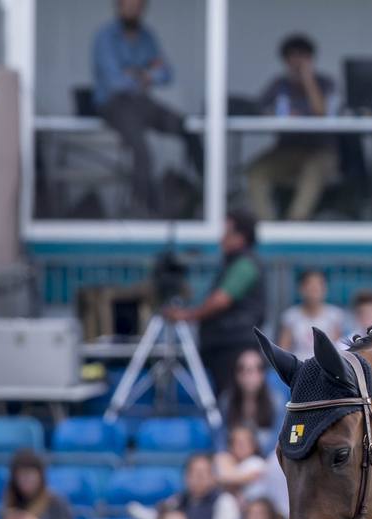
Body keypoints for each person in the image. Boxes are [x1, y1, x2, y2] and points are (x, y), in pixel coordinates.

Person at [91, 0, 202, 216]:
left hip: (141, 102)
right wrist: (146, 75)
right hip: (114, 104)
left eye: (139, 6)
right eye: (129, 5)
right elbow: (115, 82)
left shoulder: (146, 36)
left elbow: (167, 74)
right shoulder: (105, 37)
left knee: (187, 128)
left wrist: (139, 75)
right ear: (119, 7)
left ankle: (204, 189)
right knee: (143, 152)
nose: (134, 10)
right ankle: (140, 212)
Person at [163, 210, 265, 393]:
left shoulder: (244, 265)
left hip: (233, 346)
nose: (221, 239)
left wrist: (187, 315)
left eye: (226, 233)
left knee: (232, 402)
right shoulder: (235, 264)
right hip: (226, 344)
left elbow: (221, 300)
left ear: (240, 237)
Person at [247, 33, 339, 222]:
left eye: (302, 56)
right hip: (286, 151)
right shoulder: (278, 85)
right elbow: (259, 111)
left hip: (321, 151)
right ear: (285, 60)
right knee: (256, 172)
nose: (297, 61)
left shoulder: (324, 83)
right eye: (293, 56)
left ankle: (295, 225)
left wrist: (307, 79)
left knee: (312, 171)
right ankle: (267, 225)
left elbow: (321, 112)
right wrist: (278, 116)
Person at [129, 453, 241, 519]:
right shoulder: (178, 500)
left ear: (213, 477)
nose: (198, 478)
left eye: (203, 474)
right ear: (186, 477)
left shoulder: (225, 501)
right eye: (193, 473)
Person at [215, 348, 285, 454]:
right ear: (236, 374)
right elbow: (220, 437)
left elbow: (279, 437)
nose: (249, 375)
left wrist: (254, 451)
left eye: (256, 369)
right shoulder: (227, 400)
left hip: (266, 458)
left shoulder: (276, 401)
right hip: (234, 457)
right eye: (242, 369)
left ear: (263, 374)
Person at [278, 269, 347, 360]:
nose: (314, 291)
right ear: (301, 289)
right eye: (310, 287)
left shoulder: (335, 316)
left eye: (318, 286)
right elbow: (283, 350)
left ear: (325, 289)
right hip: (299, 367)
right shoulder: (291, 316)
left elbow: (340, 349)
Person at [214, 425, 269, 501]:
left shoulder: (256, 462)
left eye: (245, 442)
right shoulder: (231, 462)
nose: (241, 446)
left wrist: (221, 478)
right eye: (238, 442)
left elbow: (226, 479)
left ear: (253, 445)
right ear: (231, 446)